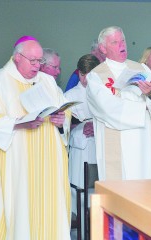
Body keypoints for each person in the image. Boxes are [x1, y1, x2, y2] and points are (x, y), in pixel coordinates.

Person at [0, 36, 71, 239]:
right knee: (18, 212)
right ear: (17, 57)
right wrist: (19, 123)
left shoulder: (47, 81)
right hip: (15, 164)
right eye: (33, 61)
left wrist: (61, 119)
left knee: (49, 209)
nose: (38, 66)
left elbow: (64, 108)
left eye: (40, 61)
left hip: (48, 164)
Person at [86, 26, 151, 181]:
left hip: (145, 144)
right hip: (118, 144)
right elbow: (107, 109)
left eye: (123, 40)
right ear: (103, 49)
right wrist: (143, 107)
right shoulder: (96, 77)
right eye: (115, 42)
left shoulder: (141, 68)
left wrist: (150, 93)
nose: (122, 45)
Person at [64, 53, 100, 232]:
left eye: (90, 75)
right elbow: (63, 125)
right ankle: (80, 232)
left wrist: (97, 125)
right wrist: (79, 124)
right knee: (79, 195)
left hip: (99, 147)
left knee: (98, 196)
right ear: (79, 73)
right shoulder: (70, 95)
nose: (86, 80)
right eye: (83, 75)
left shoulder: (103, 92)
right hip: (81, 149)